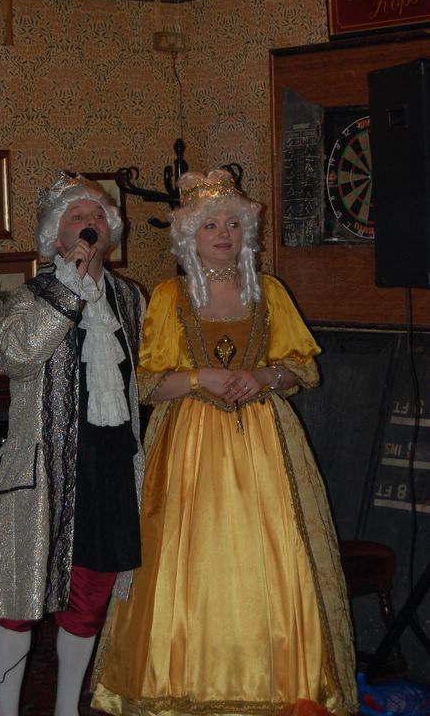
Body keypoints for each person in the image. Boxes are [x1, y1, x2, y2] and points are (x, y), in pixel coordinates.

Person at [91, 169, 357, 716]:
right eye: (211, 224)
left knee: (275, 561)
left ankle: (277, 686)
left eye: (233, 224)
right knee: (187, 566)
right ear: (190, 234)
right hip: (189, 451)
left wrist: (264, 377)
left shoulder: (270, 292)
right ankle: (181, 687)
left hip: (265, 445)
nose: (223, 234)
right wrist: (201, 378)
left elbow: (303, 368)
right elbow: (146, 383)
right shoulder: (169, 297)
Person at [0, 172, 146, 716]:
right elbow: (17, 357)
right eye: (77, 216)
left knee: (89, 599)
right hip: (43, 472)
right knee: (18, 599)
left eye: (98, 215)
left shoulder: (130, 298)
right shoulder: (32, 296)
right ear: (56, 237)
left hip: (110, 468)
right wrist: (68, 289)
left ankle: (67, 708)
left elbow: (146, 379)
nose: (91, 222)